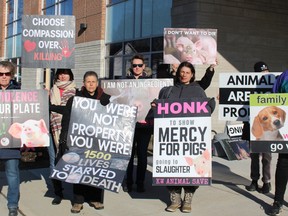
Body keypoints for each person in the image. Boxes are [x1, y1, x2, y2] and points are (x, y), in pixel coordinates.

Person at [156, 61, 215, 213]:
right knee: (171, 167)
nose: (184, 75)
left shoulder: (198, 90)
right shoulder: (169, 89)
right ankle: (174, 198)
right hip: (172, 136)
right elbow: (161, 106)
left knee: (192, 169)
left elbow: (206, 109)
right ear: (178, 73)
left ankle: (188, 198)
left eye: (187, 72)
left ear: (192, 74)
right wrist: (156, 105)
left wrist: (212, 103)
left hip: (191, 137)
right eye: (182, 72)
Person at [51, 71, 110, 213]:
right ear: (84, 83)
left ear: (97, 83)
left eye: (93, 82)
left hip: (98, 141)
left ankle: (95, 198)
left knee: (96, 169)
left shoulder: (106, 99)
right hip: (79, 141)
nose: (91, 84)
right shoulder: (75, 99)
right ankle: (78, 201)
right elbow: (66, 120)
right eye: (88, 81)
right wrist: (64, 138)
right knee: (79, 170)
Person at [123, 54, 153, 193]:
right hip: (129, 123)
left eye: (139, 65)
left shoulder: (150, 82)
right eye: (134, 65)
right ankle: (128, 182)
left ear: (144, 66)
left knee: (142, 154)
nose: (137, 68)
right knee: (128, 155)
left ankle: (140, 183)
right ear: (131, 66)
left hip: (144, 124)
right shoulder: (125, 81)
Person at [49, 68, 76, 205]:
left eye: (65, 73)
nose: (62, 76)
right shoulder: (51, 90)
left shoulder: (76, 90)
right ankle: (58, 192)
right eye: (60, 73)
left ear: (70, 75)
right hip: (53, 129)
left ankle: (77, 195)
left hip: (69, 129)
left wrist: (52, 107)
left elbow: (69, 110)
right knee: (54, 161)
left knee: (73, 160)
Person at [244, 61, 272, 194]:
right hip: (253, 126)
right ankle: (254, 180)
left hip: (267, 127)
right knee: (254, 155)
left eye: (266, 71)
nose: (264, 74)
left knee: (267, 156)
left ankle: (266, 182)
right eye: (261, 72)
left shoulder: (273, 86)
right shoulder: (250, 87)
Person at [0, 61, 21, 216]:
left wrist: (43, 96)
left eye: (7, 74)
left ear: (12, 75)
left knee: (12, 173)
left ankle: (13, 205)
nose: (4, 77)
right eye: (1, 74)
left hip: (12, 141)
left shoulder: (20, 92)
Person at [268, 69, 288, 216]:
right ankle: (278, 200)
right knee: (283, 164)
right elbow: (274, 98)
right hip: (285, 126)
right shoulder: (284, 76)